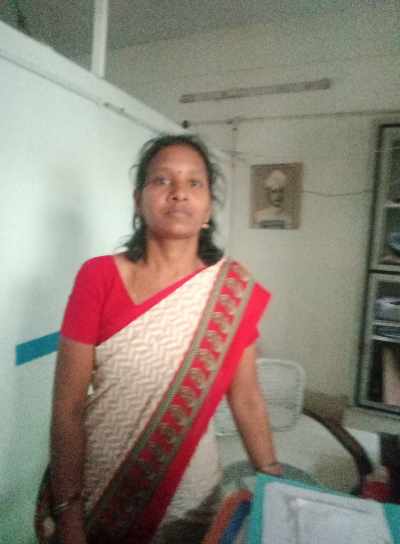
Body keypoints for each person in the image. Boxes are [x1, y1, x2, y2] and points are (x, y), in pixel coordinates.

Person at [35, 133, 282, 544]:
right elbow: (68, 407)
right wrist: (68, 512)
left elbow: (247, 397)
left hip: (191, 503)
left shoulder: (230, 292)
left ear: (208, 207)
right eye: (162, 180)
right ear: (138, 200)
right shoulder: (99, 277)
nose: (179, 192)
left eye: (194, 182)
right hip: (100, 493)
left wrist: (273, 479)